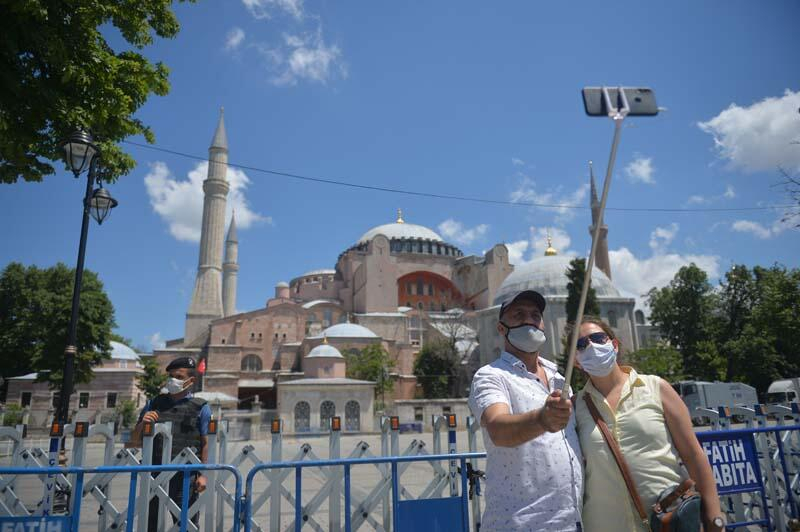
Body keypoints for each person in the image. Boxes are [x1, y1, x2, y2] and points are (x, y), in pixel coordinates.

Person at [573, 317, 725, 531]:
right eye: (580, 345)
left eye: (598, 338)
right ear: (576, 361)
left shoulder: (657, 387)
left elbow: (693, 455)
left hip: (667, 522)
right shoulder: (574, 407)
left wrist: (714, 516)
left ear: (614, 345)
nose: (591, 346)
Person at [468, 289, 583, 531]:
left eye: (535, 315)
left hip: (572, 522)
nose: (529, 320)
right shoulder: (491, 376)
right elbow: (498, 429)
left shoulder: (560, 378)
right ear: (501, 329)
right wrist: (542, 419)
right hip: (520, 523)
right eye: (518, 315)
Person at [129, 357, 212, 531]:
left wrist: (203, 474)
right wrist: (142, 423)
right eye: (171, 376)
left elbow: (206, 444)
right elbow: (133, 442)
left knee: (185, 523)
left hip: (185, 476)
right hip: (154, 472)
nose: (173, 380)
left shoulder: (201, 407)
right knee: (151, 523)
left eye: (179, 377)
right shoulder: (155, 403)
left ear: (191, 380)